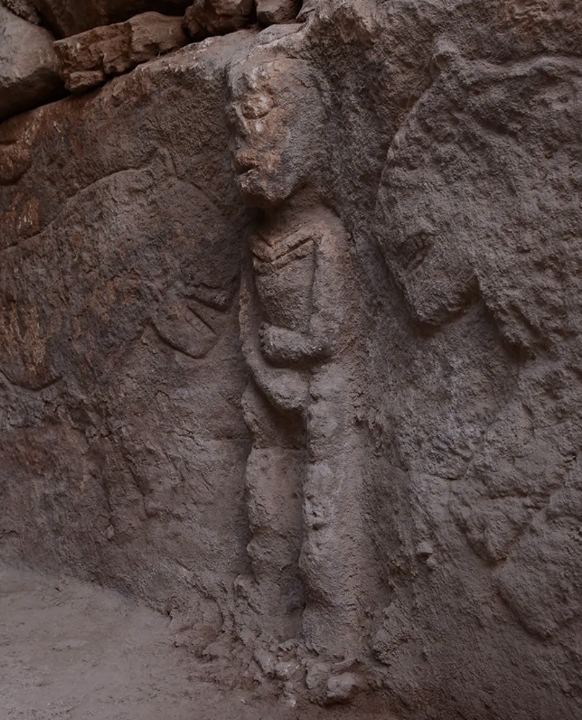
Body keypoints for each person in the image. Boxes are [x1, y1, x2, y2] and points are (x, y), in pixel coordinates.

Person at [228, 51, 372, 659]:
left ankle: (332, 632)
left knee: (322, 512)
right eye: (237, 130)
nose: (244, 147)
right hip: (273, 392)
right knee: (264, 498)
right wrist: (264, 374)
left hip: (325, 391)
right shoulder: (260, 239)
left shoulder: (325, 238)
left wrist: (288, 352)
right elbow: (245, 321)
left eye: (261, 125)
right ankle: (265, 605)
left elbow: (332, 331)